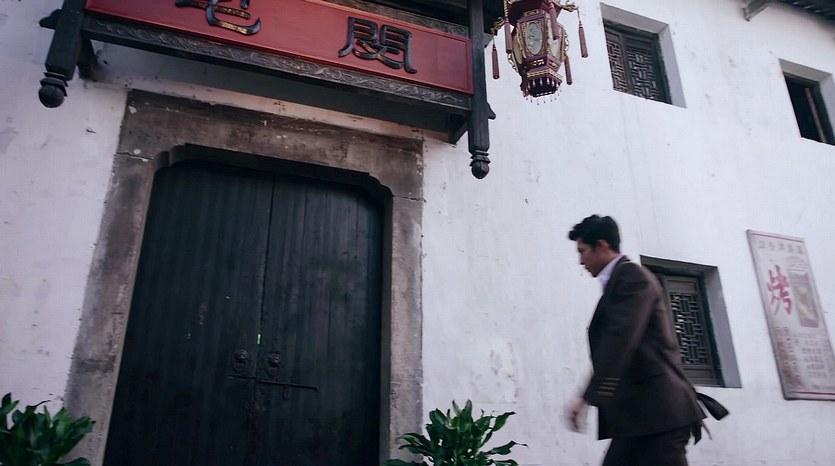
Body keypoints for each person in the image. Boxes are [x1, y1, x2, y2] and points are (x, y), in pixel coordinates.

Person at [565, 214, 705, 466]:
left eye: (582, 251)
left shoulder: (632, 278)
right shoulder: (619, 280)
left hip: (661, 414)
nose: (580, 261)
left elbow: (619, 339)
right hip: (641, 418)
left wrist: (586, 397)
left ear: (602, 245)